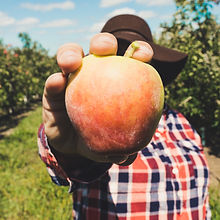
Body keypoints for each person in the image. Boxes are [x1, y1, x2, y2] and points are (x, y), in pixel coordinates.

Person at [38, 14, 210, 219]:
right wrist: (76, 154)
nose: (123, 61)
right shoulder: (85, 124)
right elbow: (77, 169)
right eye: (116, 54)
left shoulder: (181, 122)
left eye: (127, 54)